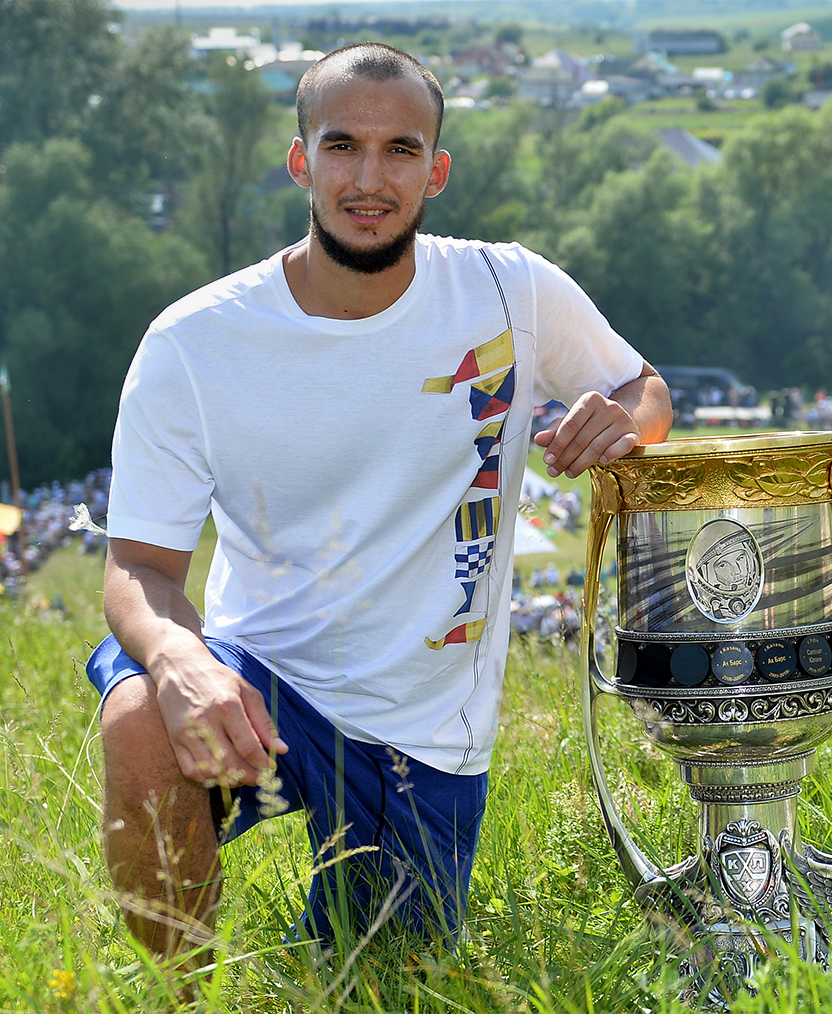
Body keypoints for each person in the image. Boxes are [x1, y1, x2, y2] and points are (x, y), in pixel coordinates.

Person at [86, 43, 671, 967]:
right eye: (341, 145)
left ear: (435, 170)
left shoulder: (507, 290)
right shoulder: (194, 341)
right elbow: (137, 569)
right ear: (301, 161)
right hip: (259, 679)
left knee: (382, 975)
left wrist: (622, 421)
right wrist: (175, 661)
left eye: (400, 150)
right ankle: (176, 991)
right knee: (140, 715)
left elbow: (644, 388)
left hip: (423, 728)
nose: (369, 177)